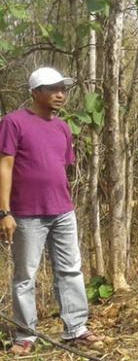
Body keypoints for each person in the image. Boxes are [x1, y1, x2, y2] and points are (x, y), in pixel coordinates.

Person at [0, 67, 105, 356]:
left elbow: (61, 167)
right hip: (26, 213)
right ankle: (25, 335)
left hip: (62, 211)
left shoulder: (62, 127)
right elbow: (5, 166)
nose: (61, 94)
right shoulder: (13, 122)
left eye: (63, 88)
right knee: (25, 275)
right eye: (53, 88)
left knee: (70, 269)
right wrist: (4, 212)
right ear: (35, 92)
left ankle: (76, 329)